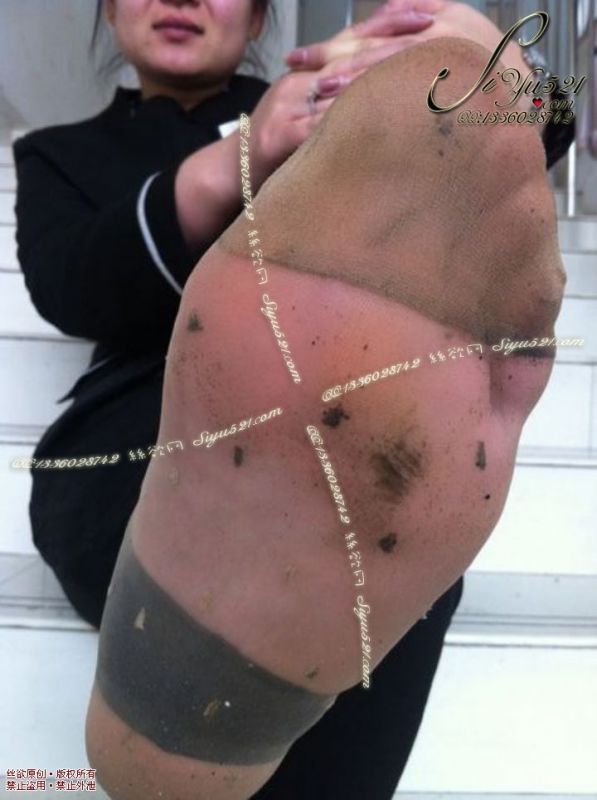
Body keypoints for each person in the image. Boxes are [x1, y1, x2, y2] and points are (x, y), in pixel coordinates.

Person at [14, 2, 573, 799]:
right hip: (140, 418)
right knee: (369, 525)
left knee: (387, 507)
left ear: (257, 18)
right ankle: (186, 702)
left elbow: (503, 163)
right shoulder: (58, 152)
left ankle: (161, 724)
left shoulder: (348, 93)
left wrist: (496, 66)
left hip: (374, 444)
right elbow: (70, 286)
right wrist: (243, 154)